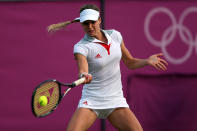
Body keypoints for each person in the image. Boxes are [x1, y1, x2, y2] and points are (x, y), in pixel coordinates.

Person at [48, 4, 168, 131]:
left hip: (115, 101)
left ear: (99, 19)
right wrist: (84, 75)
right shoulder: (81, 47)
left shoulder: (115, 36)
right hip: (91, 101)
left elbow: (130, 62)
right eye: (85, 23)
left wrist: (147, 61)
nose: (90, 27)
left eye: (92, 22)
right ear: (81, 24)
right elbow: (82, 69)